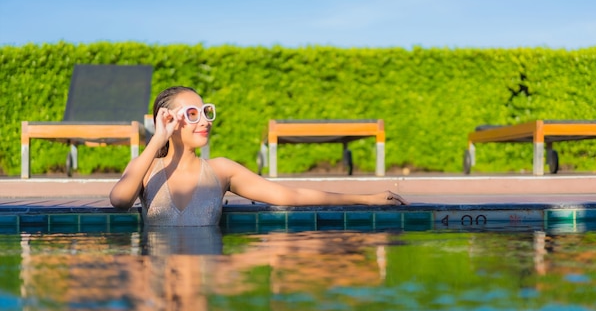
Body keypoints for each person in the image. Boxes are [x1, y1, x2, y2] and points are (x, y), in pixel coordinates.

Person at [109, 86, 408, 226]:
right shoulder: (147, 168)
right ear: (169, 120)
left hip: (207, 281)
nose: (205, 120)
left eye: (206, 111)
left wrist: (366, 199)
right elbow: (120, 201)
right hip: (160, 286)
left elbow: (289, 196)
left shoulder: (221, 170)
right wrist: (157, 138)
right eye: (193, 113)